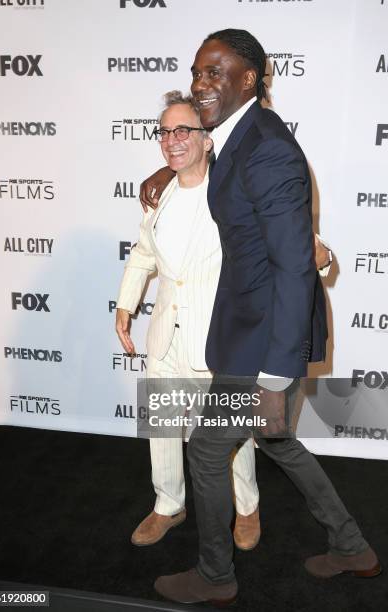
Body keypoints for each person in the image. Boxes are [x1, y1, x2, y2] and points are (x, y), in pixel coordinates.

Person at [152, 29, 381, 606]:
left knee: (206, 451)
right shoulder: (235, 137)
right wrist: (165, 178)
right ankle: (352, 546)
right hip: (249, 326)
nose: (202, 83)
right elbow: (219, 183)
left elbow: (292, 265)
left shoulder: (267, 146)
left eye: (216, 72)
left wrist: (277, 376)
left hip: (262, 339)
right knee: (277, 441)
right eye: (198, 72)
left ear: (250, 78)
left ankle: (214, 576)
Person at [115, 92, 260, 550]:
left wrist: (318, 257)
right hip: (165, 334)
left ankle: (247, 507)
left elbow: (283, 234)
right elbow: (142, 254)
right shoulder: (160, 195)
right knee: (161, 426)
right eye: (164, 132)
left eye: (183, 131)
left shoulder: (234, 190)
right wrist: (125, 304)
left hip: (215, 339)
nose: (171, 141)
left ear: (207, 139)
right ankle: (168, 503)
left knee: (229, 434)